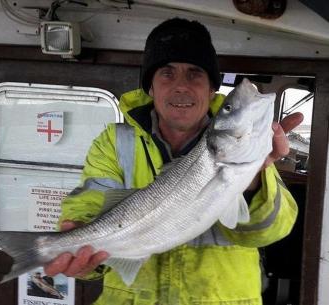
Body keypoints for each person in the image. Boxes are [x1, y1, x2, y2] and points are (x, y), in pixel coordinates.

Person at [44, 18, 303, 304]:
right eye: (167, 73)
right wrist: (83, 252)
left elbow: (269, 230)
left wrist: (254, 178)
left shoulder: (250, 152)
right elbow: (87, 208)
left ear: (211, 89)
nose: (181, 86)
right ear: (151, 88)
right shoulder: (115, 142)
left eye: (194, 74)